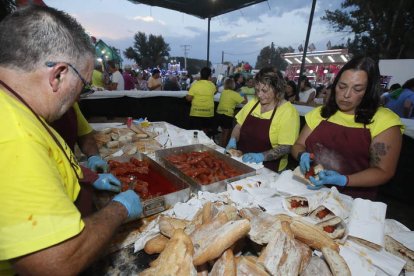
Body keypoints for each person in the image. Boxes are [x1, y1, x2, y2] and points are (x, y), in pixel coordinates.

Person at [0, 6, 142, 275]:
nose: (80, 96)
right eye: (84, 85)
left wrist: (85, 176)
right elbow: (54, 264)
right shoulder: (15, 136)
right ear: (59, 75)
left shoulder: (16, 106)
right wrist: (119, 210)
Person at [291, 56, 403, 200]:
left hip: (350, 199)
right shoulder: (321, 113)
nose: (346, 95)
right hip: (309, 188)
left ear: (369, 91)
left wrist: (345, 180)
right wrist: (302, 155)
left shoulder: (384, 121)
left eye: (357, 89)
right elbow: (298, 145)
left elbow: (383, 171)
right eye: (342, 86)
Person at [51, 102, 119, 217]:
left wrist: (94, 157)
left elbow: (85, 135)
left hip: (73, 170)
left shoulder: (71, 103)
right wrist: (88, 176)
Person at [225, 68, 300, 172]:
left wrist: (261, 156)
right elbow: (238, 126)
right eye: (257, 90)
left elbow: (286, 147)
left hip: (269, 168)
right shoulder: (254, 103)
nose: (259, 95)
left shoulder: (288, 112)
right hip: (242, 161)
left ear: (277, 89)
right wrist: (233, 140)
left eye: (264, 91)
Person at [215, 78, 247, 147]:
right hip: (227, 115)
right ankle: (223, 147)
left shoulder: (223, 92)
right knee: (226, 133)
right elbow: (245, 102)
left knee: (222, 132)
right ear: (233, 85)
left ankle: (220, 145)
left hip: (218, 114)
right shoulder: (234, 94)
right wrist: (245, 95)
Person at [186, 67, 217, 133]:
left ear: (200, 75)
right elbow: (215, 92)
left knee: (195, 132)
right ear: (209, 76)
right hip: (208, 113)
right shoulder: (212, 85)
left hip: (196, 113)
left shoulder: (195, 84)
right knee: (205, 132)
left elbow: (188, 98)